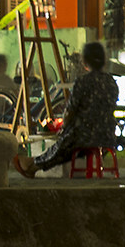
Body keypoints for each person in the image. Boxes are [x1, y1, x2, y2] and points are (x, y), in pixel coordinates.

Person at [17, 40, 119, 175]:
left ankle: (34, 164)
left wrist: (64, 127)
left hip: (85, 136)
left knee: (65, 141)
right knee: (68, 139)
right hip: (108, 135)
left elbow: (71, 110)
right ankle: (33, 165)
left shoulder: (83, 82)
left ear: (85, 61)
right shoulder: (111, 82)